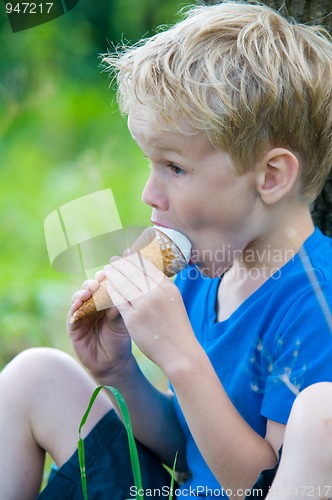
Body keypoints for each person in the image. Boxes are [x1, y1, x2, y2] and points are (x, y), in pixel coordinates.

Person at [1, 2, 332, 499]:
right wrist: (119, 372)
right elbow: (186, 450)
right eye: (151, 165)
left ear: (270, 177)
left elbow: (265, 487)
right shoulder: (204, 270)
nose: (149, 195)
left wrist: (179, 355)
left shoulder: (314, 303)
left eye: (174, 167)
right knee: (34, 376)